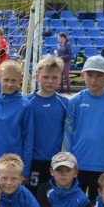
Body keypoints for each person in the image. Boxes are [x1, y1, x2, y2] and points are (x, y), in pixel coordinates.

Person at [63, 55, 104, 202]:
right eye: (90, 75)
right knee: (75, 205)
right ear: (82, 75)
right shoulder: (75, 101)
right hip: (78, 165)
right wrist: (68, 160)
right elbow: (68, 132)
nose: (93, 80)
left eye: (99, 75)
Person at [26, 55, 67, 191]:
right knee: (33, 197)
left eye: (54, 77)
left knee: (53, 198)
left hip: (56, 162)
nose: (50, 81)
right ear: (37, 77)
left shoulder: (64, 104)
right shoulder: (27, 103)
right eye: (46, 77)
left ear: (60, 78)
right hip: (33, 161)